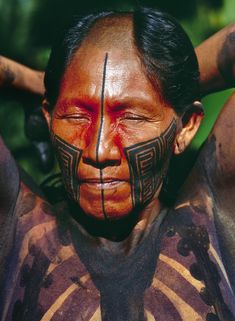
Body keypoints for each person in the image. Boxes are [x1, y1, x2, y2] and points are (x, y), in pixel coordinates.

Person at [0, 7, 234, 321]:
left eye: (132, 117)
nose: (99, 150)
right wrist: (41, 83)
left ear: (187, 126)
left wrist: (170, 76)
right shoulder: (17, 230)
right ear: (48, 117)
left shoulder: (213, 220)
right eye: (75, 115)